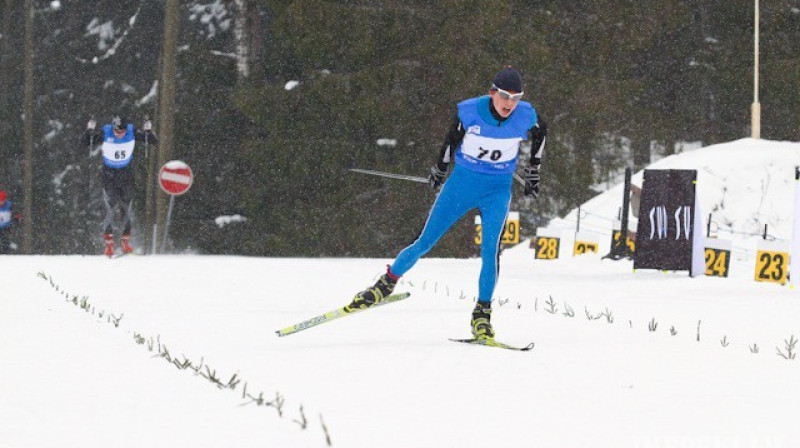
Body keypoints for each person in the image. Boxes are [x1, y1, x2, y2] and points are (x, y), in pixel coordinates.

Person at [346, 66, 547, 340]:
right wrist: (440, 170)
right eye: (504, 96)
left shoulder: (525, 115)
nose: (509, 103)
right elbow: (451, 140)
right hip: (462, 184)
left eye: (516, 97)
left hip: (497, 190)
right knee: (425, 242)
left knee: (490, 252)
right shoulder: (471, 111)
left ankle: (482, 315)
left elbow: (541, 133)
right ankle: (385, 284)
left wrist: (534, 170)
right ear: (492, 93)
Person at [82, 115, 158, 256]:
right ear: (113, 127)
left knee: (126, 209)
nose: (119, 134)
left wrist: (148, 131)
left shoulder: (131, 131)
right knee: (110, 209)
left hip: (126, 175)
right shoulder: (106, 132)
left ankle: (125, 241)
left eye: (122, 131)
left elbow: (153, 141)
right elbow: (86, 142)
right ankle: (109, 244)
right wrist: (89, 130)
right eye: (117, 131)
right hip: (109, 175)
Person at [0, 190, 21, 254]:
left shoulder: (9, 205)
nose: (1, 203)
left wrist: (16, 218)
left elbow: (17, 214)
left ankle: (5, 254)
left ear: (5, 200)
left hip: (6, 226)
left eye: (2, 201)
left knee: (5, 241)